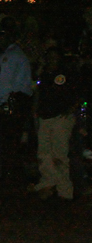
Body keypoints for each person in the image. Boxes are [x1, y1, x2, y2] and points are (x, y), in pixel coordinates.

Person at [29, 47, 78, 200]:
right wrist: (35, 112)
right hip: (44, 117)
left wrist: (72, 109)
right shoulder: (43, 74)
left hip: (60, 118)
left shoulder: (67, 74)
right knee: (44, 153)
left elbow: (78, 92)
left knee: (59, 155)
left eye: (55, 57)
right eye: (49, 57)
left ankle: (64, 190)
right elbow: (37, 92)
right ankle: (48, 183)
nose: (52, 60)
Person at [0, 17, 33, 177]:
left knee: (5, 143)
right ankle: (11, 174)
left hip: (10, 103)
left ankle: (5, 176)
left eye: (2, 37)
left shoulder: (10, 56)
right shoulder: (14, 54)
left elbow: (5, 83)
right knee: (11, 142)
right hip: (16, 102)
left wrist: (0, 103)